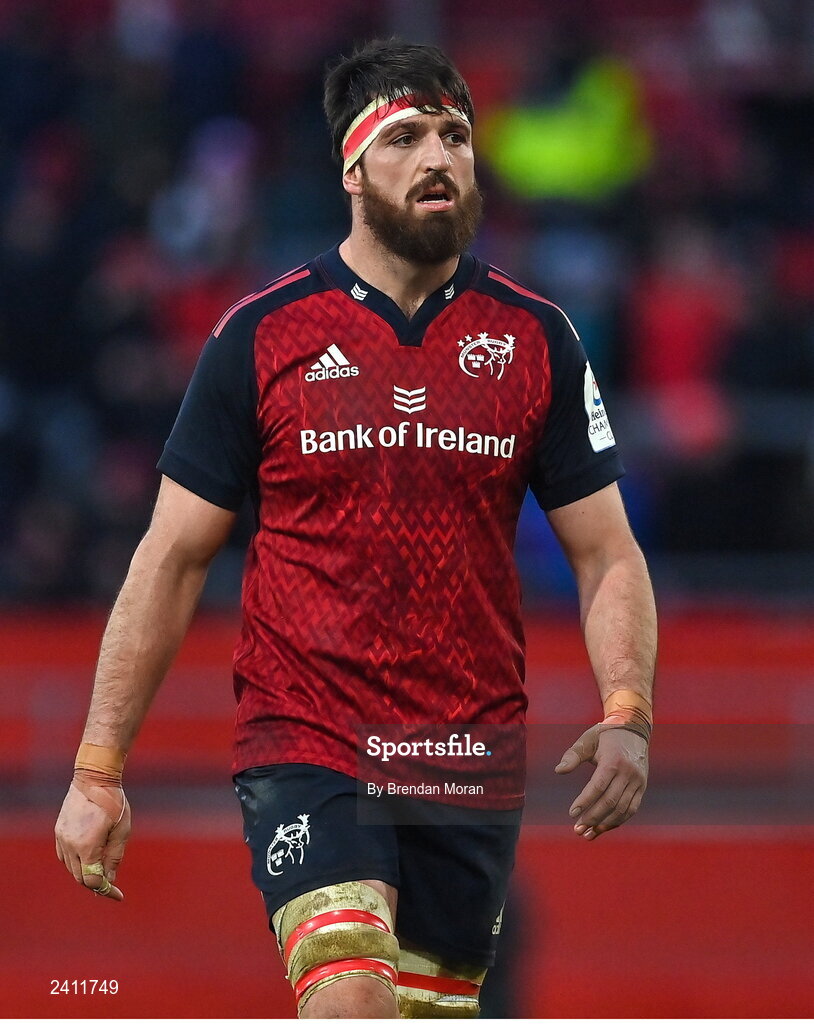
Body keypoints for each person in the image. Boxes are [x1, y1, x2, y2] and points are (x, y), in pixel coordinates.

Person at [55, 39, 657, 1019]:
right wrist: (96, 768)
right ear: (351, 168)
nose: (440, 157)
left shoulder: (536, 338)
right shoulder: (263, 336)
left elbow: (606, 553)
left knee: (421, 1009)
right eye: (407, 136)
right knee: (351, 991)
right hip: (309, 734)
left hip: (465, 751)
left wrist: (627, 712)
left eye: (456, 135)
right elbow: (169, 559)